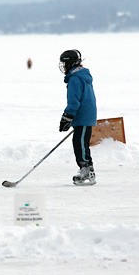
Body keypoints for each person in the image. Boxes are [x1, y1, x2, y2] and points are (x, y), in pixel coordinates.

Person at [58, 49, 97, 185]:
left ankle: (86, 169)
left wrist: (67, 117)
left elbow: (74, 101)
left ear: (70, 63)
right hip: (85, 115)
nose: (63, 66)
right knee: (79, 143)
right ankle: (86, 169)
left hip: (83, 116)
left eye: (64, 63)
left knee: (80, 144)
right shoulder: (81, 75)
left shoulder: (75, 79)